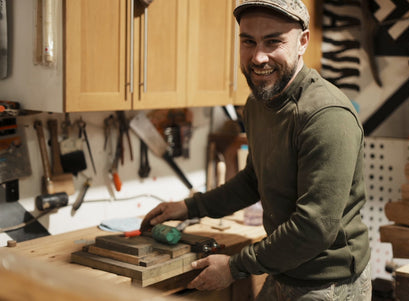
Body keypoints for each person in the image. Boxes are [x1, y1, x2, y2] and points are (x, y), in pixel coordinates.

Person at [140, 0, 372, 299]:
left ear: (302, 42)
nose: (258, 57)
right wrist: (189, 207)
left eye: (273, 41)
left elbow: (315, 227)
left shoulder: (326, 115)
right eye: (248, 41)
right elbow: (254, 180)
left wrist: (235, 266)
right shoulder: (259, 103)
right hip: (285, 268)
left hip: (328, 282)